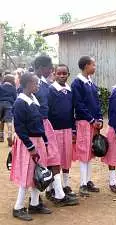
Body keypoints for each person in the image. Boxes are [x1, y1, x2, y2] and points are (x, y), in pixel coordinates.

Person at [34, 55, 78, 206]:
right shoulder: (36, 84)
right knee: (47, 161)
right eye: (50, 68)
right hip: (43, 128)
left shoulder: (45, 84)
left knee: (54, 160)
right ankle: (48, 195)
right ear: (42, 68)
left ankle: (55, 192)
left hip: (47, 127)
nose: (52, 71)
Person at [10, 72, 51, 221]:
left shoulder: (33, 98)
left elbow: (39, 123)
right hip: (29, 143)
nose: (38, 85)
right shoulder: (20, 102)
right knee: (26, 176)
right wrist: (30, 146)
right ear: (27, 84)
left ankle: (34, 204)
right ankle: (18, 207)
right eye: (35, 83)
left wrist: (44, 141)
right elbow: (20, 128)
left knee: (37, 174)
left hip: (37, 141)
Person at [71, 56, 103, 197]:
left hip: (93, 122)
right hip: (84, 122)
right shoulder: (77, 83)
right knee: (84, 153)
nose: (95, 67)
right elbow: (79, 105)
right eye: (93, 65)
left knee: (90, 153)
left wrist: (100, 118)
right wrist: (91, 119)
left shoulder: (90, 83)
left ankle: (88, 181)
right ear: (86, 66)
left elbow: (97, 103)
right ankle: (83, 184)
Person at [48, 64, 76, 197]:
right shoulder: (51, 90)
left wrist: (74, 130)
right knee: (55, 159)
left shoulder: (70, 91)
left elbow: (72, 112)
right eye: (59, 73)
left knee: (66, 157)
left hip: (68, 129)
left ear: (68, 74)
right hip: (54, 130)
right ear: (54, 74)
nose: (61, 76)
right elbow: (48, 112)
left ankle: (65, 185)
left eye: (64, 73)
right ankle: (52, 188)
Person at [0, 74, 17, 146]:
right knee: (9, 121)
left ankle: (1, 136)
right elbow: (15, 98)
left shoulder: (1, 86)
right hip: (9, 105)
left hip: (0, 104)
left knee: (1, 121)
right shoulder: (13, 88)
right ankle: (9, 135)